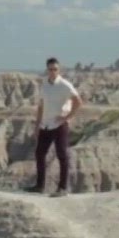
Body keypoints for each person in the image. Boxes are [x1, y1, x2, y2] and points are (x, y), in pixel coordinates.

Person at [30, 57, 82, 195]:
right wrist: (37, 125)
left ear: (59, 70)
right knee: (39, 154)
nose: (53, 71)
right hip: (45, 125)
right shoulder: (44, 85)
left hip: (59, 125)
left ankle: (63, 188)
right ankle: (39, 186)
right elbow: (41, 106)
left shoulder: (65, 85)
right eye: (50, 69)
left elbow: (78, 101)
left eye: (55, 69)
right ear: (47, 69)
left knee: (62, 155)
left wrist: (67, 117)